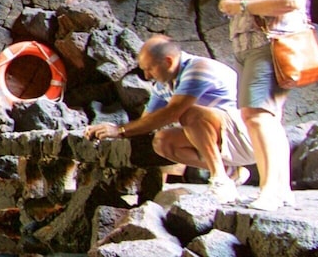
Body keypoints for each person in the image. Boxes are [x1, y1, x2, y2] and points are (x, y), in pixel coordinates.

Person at [219, 0, 310, 210]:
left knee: (259, 116)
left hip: (269, 45)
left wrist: (241, 5)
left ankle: (271, 190)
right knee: (260, 117)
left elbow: (290, 0)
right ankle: (279, 188)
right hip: (254, 47)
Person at [85, 35, 254, 203]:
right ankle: (231, 172)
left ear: (168, 61)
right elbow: (146, 122)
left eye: (150, 69)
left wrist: (120, 130)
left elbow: (173, 112)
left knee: (189, 113)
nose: (147, 76)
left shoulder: (199, 68)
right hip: (226, 143)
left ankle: (220, 180)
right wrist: (109, 128)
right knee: (162, 141)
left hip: (247, 137)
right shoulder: (162, 86)